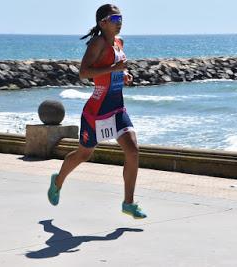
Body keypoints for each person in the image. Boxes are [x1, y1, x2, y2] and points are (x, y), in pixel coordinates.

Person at [47, 4, 147, 218]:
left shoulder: (119, 42)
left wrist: (123, 77)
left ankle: (128, 203)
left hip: (117, 108)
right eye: (114, 18)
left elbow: (116, 71)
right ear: (102, 23)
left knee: (133, 151)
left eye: (120, 17)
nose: (119, 21)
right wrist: (113, 70)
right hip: (97, 111)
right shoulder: (98, 43)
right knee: (84, 154)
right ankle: (57, 180)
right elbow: (84, 73)